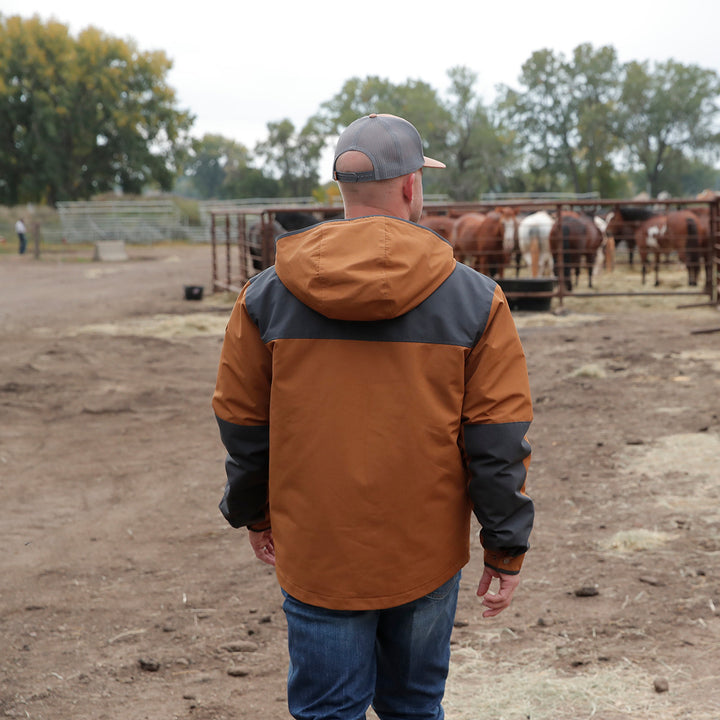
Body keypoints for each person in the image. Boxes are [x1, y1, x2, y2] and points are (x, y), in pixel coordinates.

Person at [212, 113, 534, 720]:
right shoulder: (475, 298)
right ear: (412, 187)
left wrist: (254, 511)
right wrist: (504, 547)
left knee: (327, 711)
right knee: (414, 706)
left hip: (318, 549)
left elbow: (243, 421)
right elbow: (497, 437)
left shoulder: (264, 297)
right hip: (425, 549)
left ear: (343, 189)